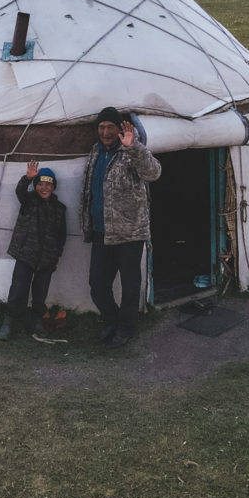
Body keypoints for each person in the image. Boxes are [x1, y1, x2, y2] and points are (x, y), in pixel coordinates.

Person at [79, 106, 161, 348]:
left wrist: (134, 146)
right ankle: (113, 320)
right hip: (101, 231)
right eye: (101, 127)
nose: (105, 132)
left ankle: (126, 328)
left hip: (129, 232)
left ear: (120, 129)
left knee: (130, 284)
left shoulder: (129, 151)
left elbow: (154, 172)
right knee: (97, 285)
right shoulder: (95, 152)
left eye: (110, 127)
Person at [0, 161, 67, 342]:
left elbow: (62, 235)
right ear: (35, 185)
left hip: (47, 259)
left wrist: (56, 254)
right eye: (40, 184)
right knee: (18, 289)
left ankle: (37, 320)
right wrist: (27, 178)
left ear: (53, 187)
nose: (44, 188)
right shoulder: (29, 200)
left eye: (48, 184)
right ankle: (10, 320)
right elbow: (20, 191)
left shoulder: (60, 209)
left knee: (40, 292)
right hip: (26, 255)